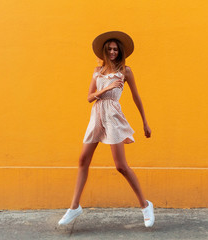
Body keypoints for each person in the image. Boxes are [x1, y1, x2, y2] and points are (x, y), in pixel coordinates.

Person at [58, 31, 154, 227]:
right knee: (83, 159)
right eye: (109, 49)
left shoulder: (126, 71)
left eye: (115, 49)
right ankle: (74, 206)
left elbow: (137, 97)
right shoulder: (97, 71)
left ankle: (145, 205)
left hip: (112, 116)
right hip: (96, 116)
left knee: (120, 166)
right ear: (104, 51)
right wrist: (105, 89)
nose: (112, 52)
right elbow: (90, 97)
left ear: (120, 52)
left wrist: (145, 122)